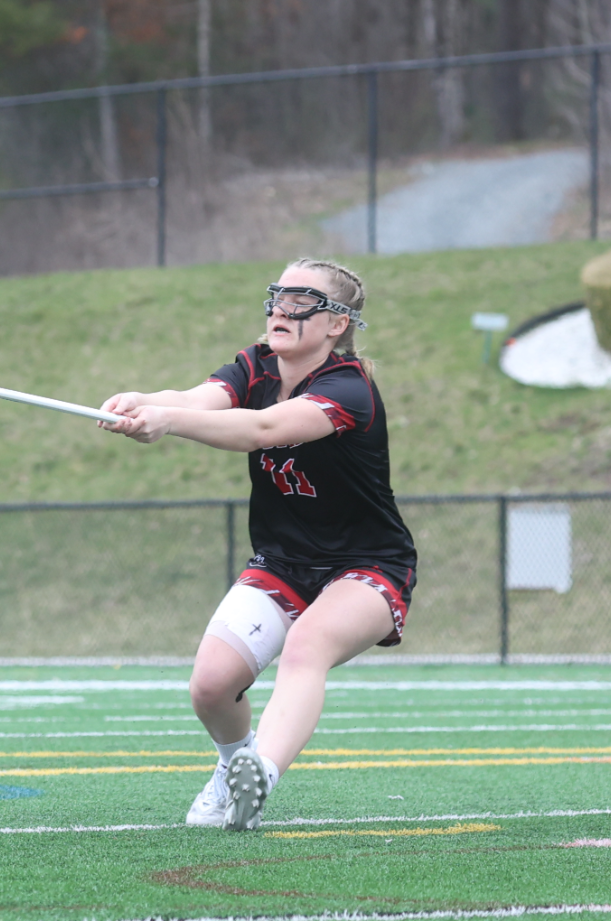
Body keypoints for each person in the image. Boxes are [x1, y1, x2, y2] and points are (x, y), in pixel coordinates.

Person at [98, 258, 415, 833]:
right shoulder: (256, 363)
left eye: (300, 300)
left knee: (308, 645)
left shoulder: (349, 389)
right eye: (276, 296)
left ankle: (262, 773)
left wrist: (166, 421)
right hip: (283, 562)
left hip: (367, 565)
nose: (280, 309)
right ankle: (233, 768)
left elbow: (263, 429)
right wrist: (145, 400)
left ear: (336, 323)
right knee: (212, 686)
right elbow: (201, 399)